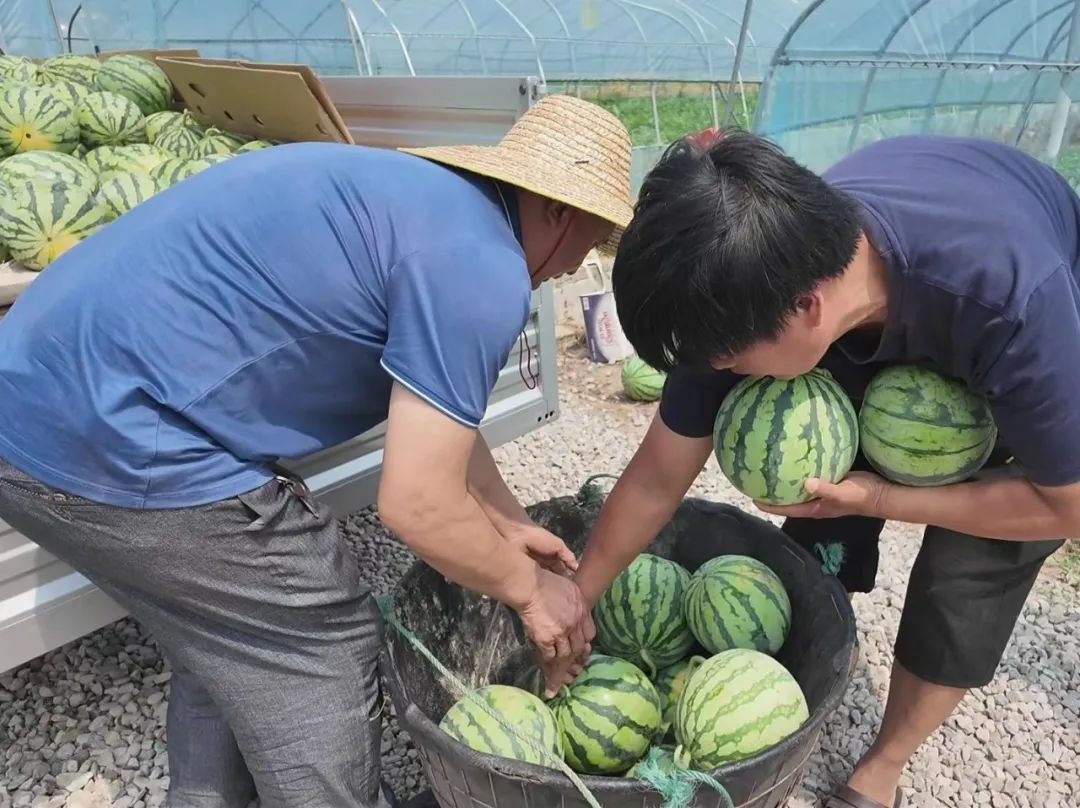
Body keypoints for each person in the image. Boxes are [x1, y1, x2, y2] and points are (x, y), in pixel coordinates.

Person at [0, 94, 629, 808]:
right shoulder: (483, 265)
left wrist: (510, 523)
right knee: (313, 626)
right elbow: (415, 503)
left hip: (31, 390)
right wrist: (530, 591)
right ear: (560, 212)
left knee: (233, 626)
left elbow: (434, 415)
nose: (580, 264)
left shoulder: (425, 208)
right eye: (594, 240)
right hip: (102, 425)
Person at [550, 130, 1080, 808]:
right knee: (818, 505)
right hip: (892, 278)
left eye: (727, 361)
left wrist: (884, 496)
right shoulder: (740, 277)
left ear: (807, 310)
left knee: (968, 573)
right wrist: (579, 598)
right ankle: (834, 633)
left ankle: (884, 766)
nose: (718, 375)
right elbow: (657, 475)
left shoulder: (1012, 301)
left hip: (1006, 291)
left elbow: (1065, 504)